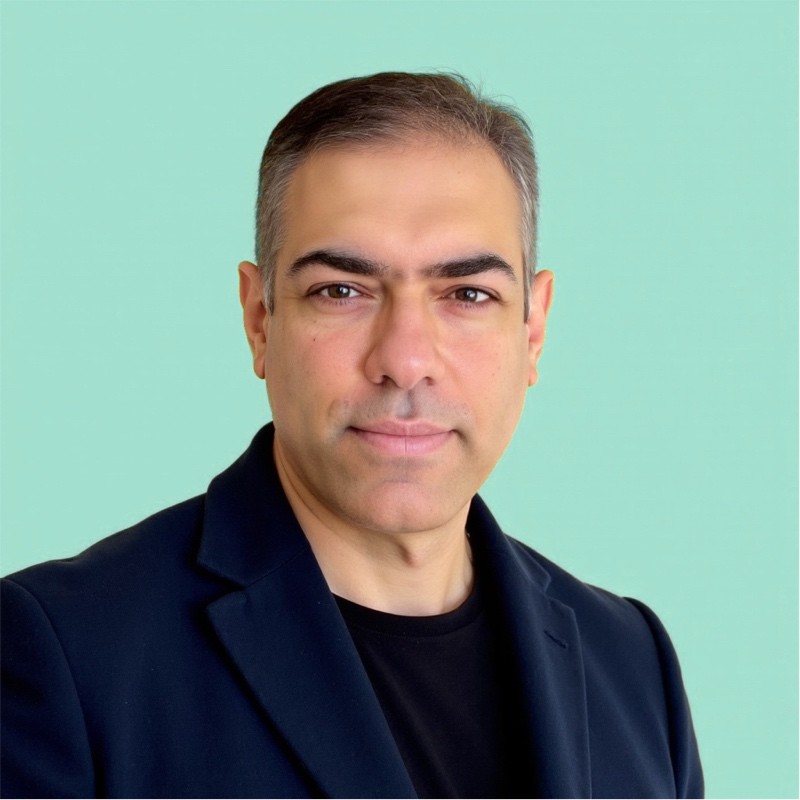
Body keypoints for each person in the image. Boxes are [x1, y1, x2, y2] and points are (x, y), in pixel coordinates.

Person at [1, 72, 703, 799]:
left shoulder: (632, 662)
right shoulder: (63, 656)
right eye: (342, 291)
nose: (405, 359)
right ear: (259, 319)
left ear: (533, 329)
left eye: (468, 294)